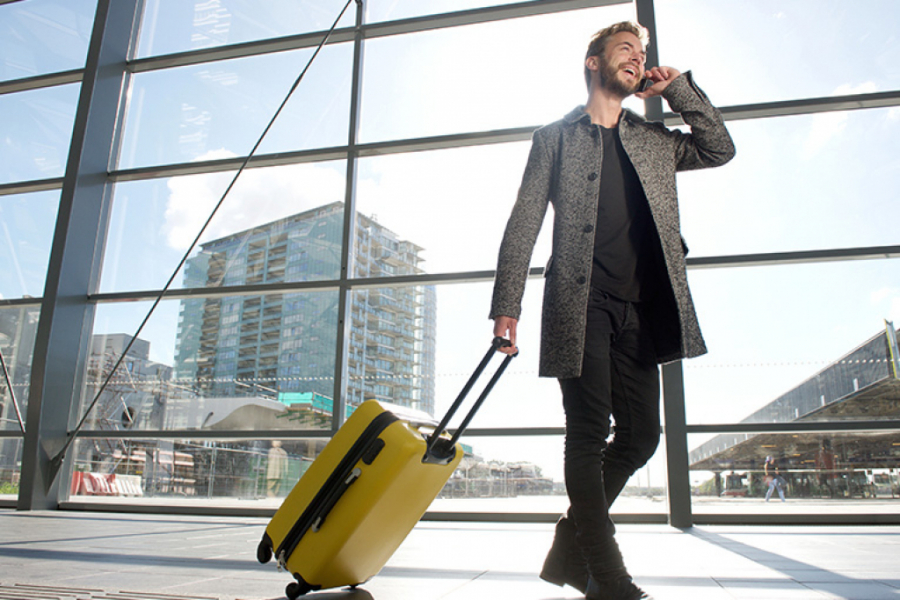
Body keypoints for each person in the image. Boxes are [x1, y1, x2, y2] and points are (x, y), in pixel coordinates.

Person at [490, 21, 735, 600]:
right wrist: (507, 304)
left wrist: (677, 90)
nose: (638, 58)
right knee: (587, 433)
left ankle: (571, 548)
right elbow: (524, 219)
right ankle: (608, 577)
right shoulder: (554, 138)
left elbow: (719, 148)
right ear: (593, 62)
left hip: (642, 306)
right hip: (579, 304)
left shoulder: (653, 139)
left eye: (643, 53)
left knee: (641, 437)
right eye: (626, 49)